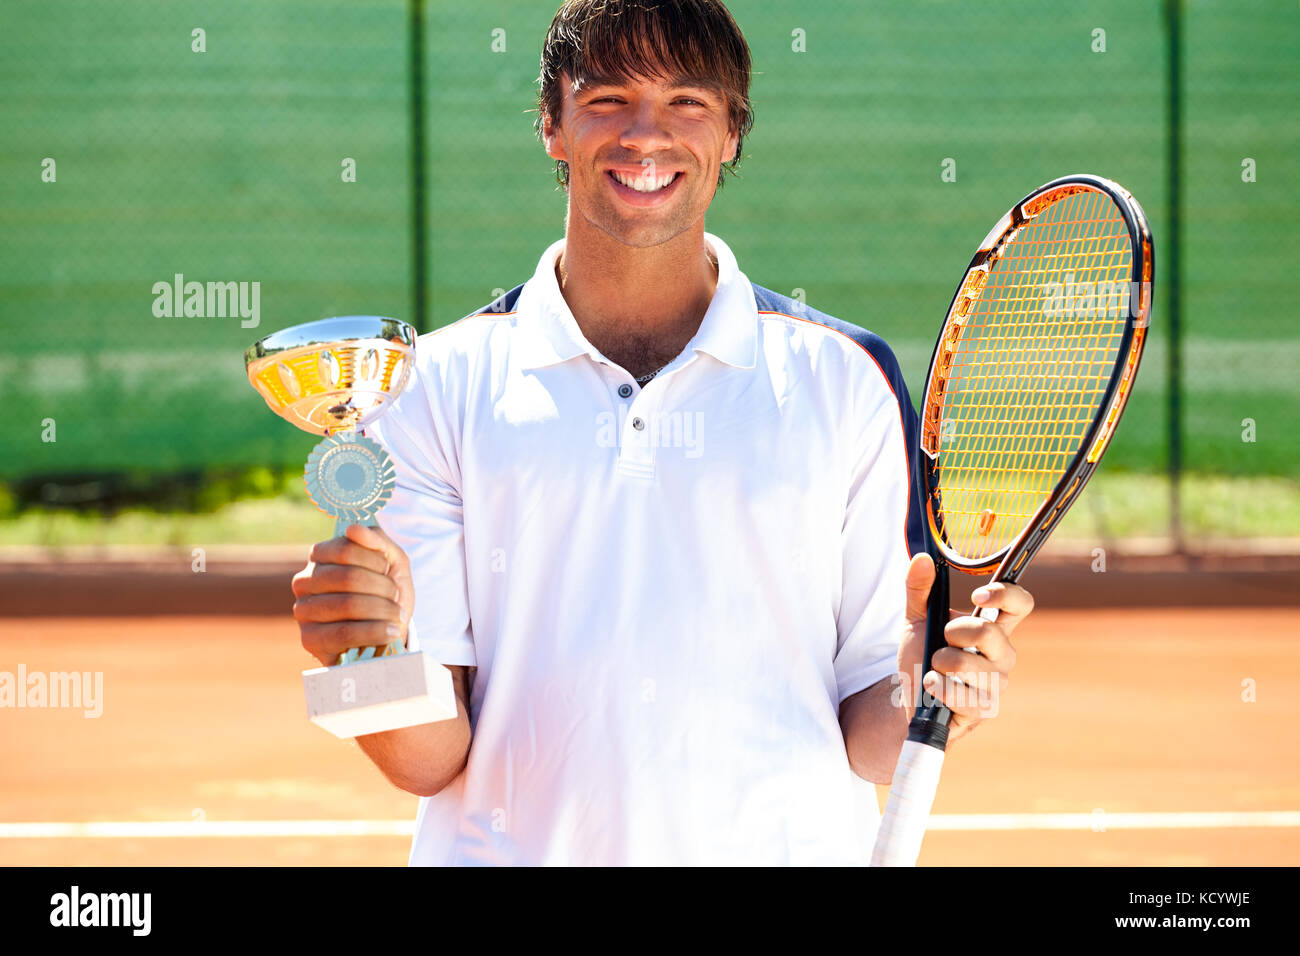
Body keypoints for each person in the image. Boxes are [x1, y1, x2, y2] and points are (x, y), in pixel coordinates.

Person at [290, 0, 1030, 865]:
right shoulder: (432, 387)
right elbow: (427, 762)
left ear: (731, 137)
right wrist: (357, 666)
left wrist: (942, 685)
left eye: (687, 102)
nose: (647, 134)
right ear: (552, 126)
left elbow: (873, 738)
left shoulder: (844, 380)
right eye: (606, 99)